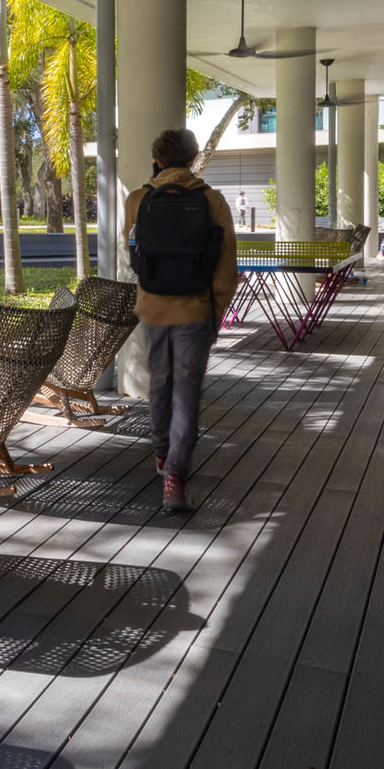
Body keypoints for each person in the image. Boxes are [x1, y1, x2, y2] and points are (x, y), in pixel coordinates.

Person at [126, 128, 239, 516]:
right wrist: (217, 306)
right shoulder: (212, 200)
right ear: (192, 159)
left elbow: (132, 253)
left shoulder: (138, 199)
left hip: (154, 308)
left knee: (160, 382)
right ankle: (176, 473)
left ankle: (161, 455)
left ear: (158, 159)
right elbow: (226, 264)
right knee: (186, 391)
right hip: (195, 308)